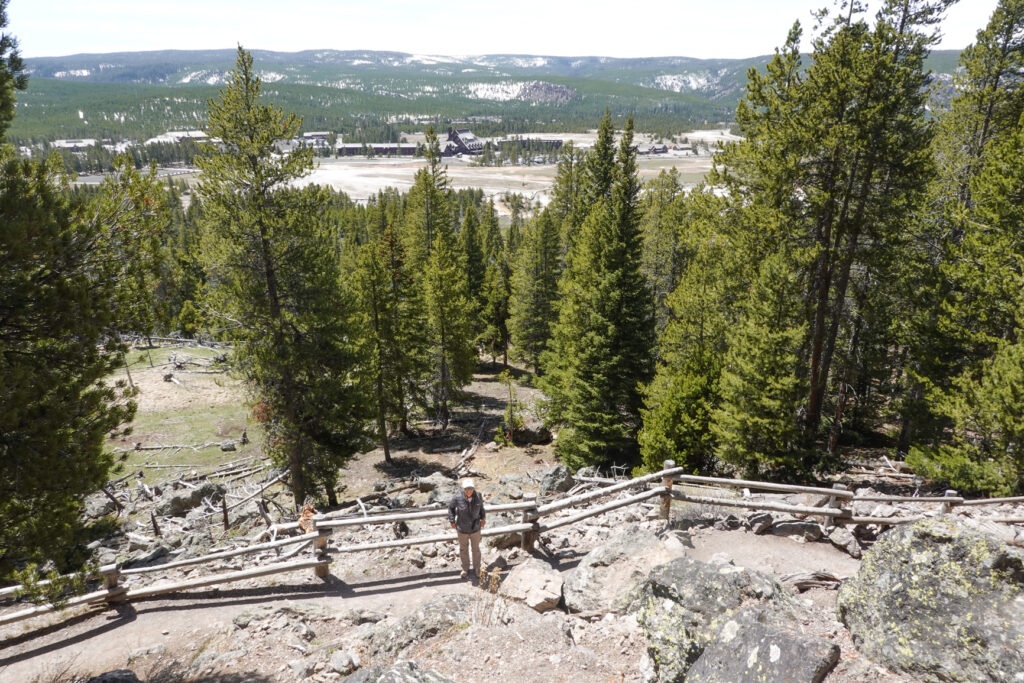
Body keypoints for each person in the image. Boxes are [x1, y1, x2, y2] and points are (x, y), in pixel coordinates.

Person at [448, 478, 486, 581]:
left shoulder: (478, 496)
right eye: (466, 489)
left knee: (476, 549)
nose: (469, 490)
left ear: (473, 489)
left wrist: (483, 518)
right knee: (463, 549)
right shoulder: (457, 497)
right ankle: (465, 568)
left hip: (475, 528)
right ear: (463, 489)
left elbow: (482, 508)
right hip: (462, 529)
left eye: (471, 488)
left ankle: (477, 568)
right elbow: (450, 508)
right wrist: (452, 521)